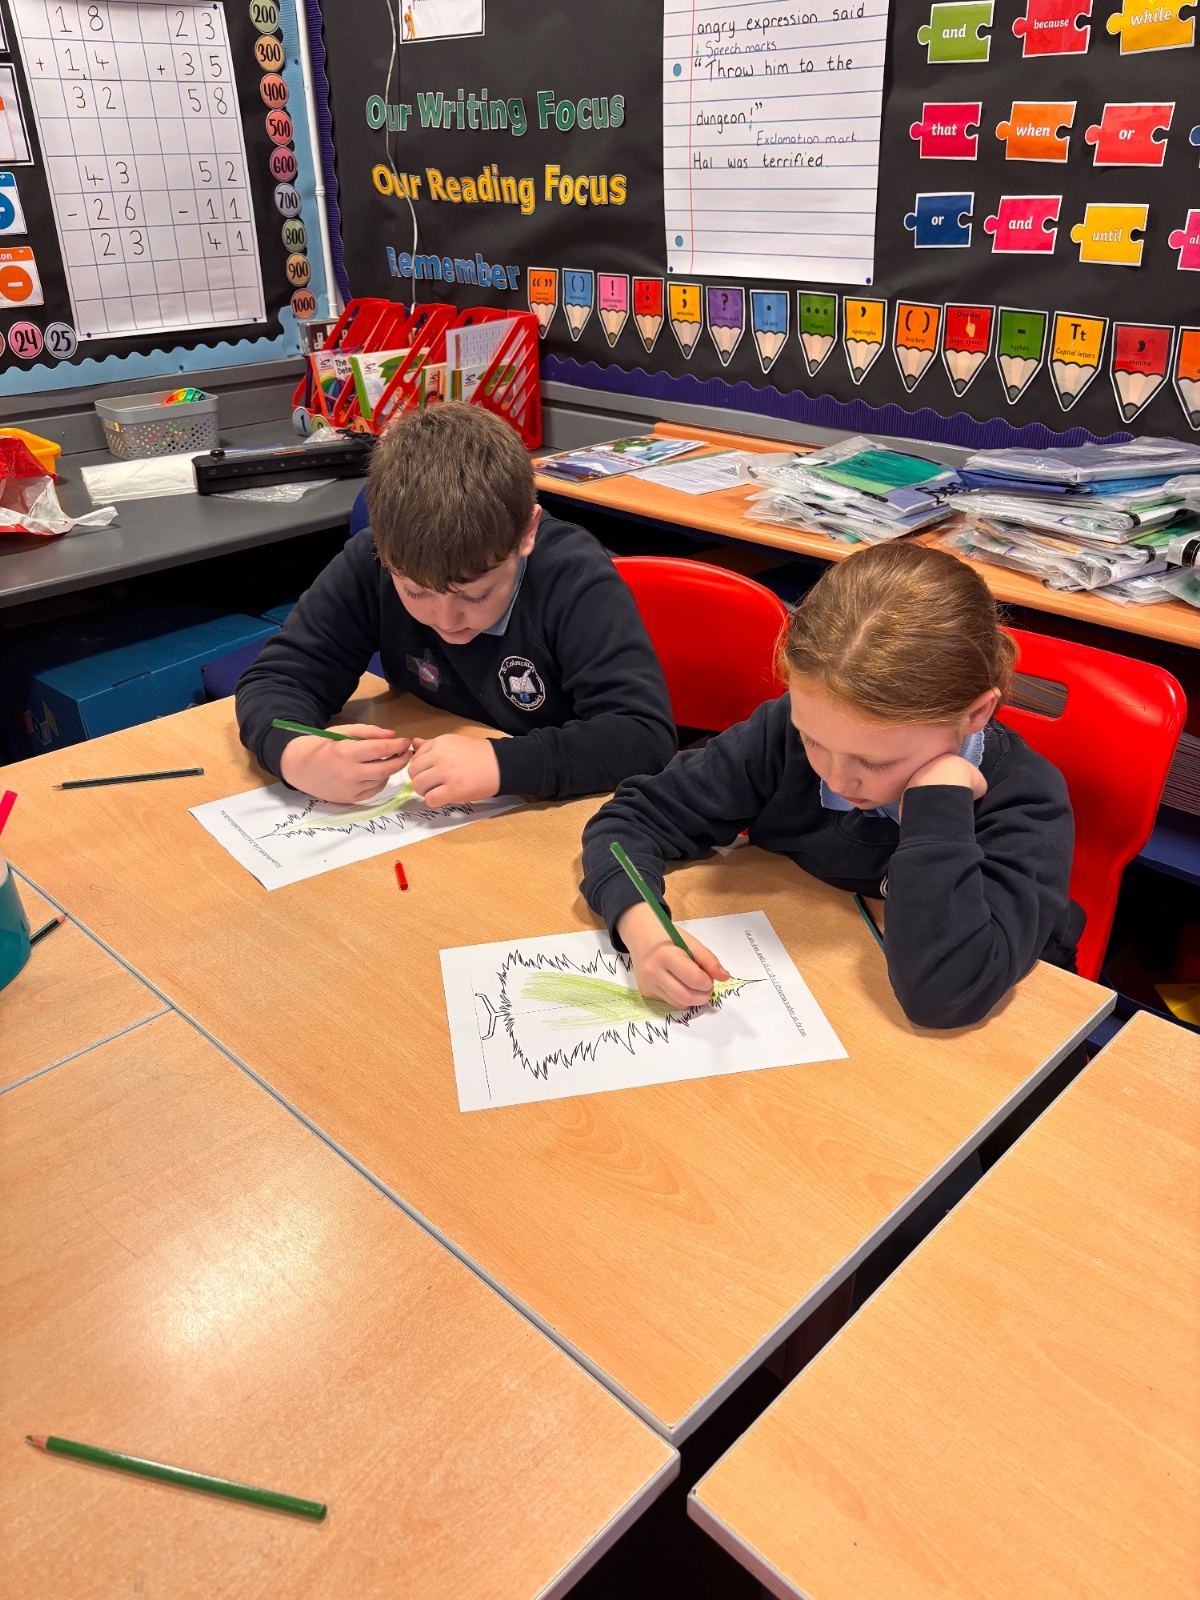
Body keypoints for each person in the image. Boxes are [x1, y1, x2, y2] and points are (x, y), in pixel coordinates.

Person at [580, 541, 1083, 1030]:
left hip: (1017, 1031)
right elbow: (633, 820)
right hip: (820, 986)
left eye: (876, 761)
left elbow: (944, 994)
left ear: (975, 714)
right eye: (813, 739)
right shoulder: (784, 734)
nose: (837, 778)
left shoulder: (1024, 798)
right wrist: (644, 928)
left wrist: (936, 806)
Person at [236, 403, 677, 805]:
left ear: (527, 532)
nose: (446, 620)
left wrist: (503, 764)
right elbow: (279, 678)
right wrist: (296, 754)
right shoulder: (374, 560)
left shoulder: (571, 576)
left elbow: (643, 736)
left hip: (550, 818)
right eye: (416, 592)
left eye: (475, 594)